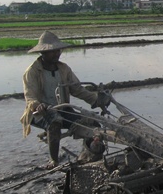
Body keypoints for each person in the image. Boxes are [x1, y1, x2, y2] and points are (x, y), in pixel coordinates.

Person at [20, 31, 107, 168]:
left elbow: (77, 89)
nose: (57, 54)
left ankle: (89, 156)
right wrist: (37, 105)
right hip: (40, 113)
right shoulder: (32, 71)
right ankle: (53, 160)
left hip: (63, 109)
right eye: (52, 51)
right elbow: (30, 96)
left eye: (58, 50)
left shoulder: (64, 69)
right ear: (42, 53)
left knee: (92, 123)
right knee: (55, 121)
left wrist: (96, 100)